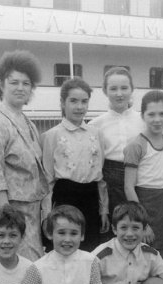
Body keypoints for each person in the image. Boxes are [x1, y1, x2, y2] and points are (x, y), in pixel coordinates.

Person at [0, 49, 48, 261]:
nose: (20, 88)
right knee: (17, 267)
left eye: (26, 83)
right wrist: (9, 223)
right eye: (14, 82)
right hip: (8, 212)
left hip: (30, 212)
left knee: (31, 267)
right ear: (1, 84)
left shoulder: (27, 122)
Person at [42, 78, 108, 251]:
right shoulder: (52, 135)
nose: (79, 107)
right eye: (73, 101)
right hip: (65, 198)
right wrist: (47, 214)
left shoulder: (96, 134)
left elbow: (100, 177)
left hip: (91, 200)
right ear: (63, 103)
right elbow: (47, 180)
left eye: (84, 101)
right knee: (64, 248)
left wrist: (103, 210)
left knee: (90, 250)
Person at [89, 67, 144, 236]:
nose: (119, 94)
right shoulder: (95, 125)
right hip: (110, 184)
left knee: (139, 229)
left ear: (132, 89)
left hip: (140, 180)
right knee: (113, 233)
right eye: (113, 88)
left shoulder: (144, 121)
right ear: (105, 91)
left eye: (124, 88)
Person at [123, 90, 163, 257]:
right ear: (143, 116)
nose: (157, 119)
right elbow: (128, 187)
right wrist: (143, 222)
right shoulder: (136, 145)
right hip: (145, 202)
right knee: (146, 251)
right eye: (151, 114)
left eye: (162, 114)